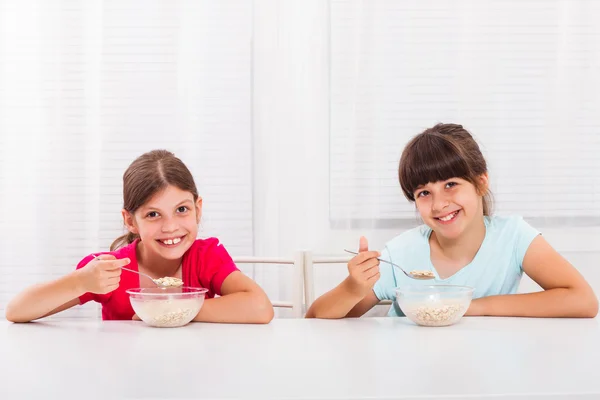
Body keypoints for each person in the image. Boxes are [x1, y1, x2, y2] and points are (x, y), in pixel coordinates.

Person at [306, 123, 598, 319]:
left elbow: (583, 301)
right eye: (424, 192)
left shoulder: (514, 237)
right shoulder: (402, 254)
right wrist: (353, 287)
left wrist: (469, 307)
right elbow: (316, 319)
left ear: (481, 182)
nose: (439, 204)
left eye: (451, 184)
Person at [6, 149, 274, 324]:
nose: (171, 227)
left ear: (198, 209)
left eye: (181, 210)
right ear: (130, 220)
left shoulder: (206, 256)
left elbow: (260, 308)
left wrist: (167, 312)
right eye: (153, 215)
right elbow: (17, 311)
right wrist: (79, 281)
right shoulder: (108, 270)